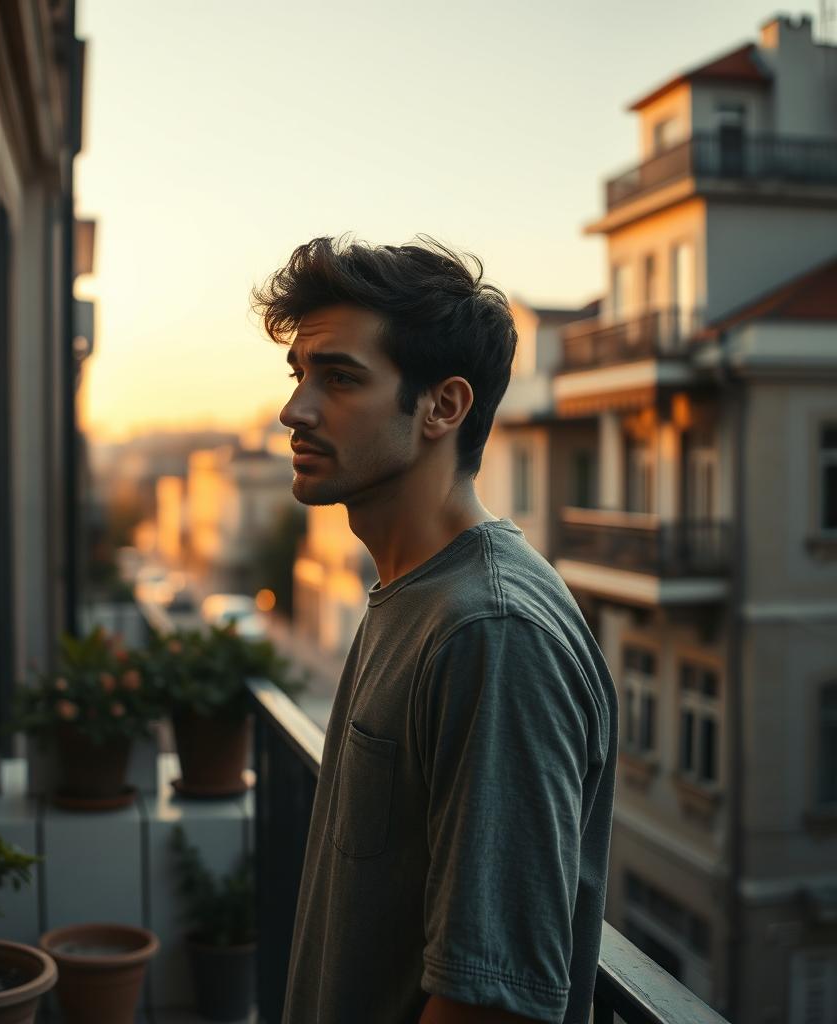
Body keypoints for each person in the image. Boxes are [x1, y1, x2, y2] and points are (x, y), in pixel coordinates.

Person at [252, 236, 617, 1024]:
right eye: (300, 375)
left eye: (340, 378)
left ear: (443, 407)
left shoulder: (491, 632)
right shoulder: (411, 591)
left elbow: (494, 1004)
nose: (295, 409)